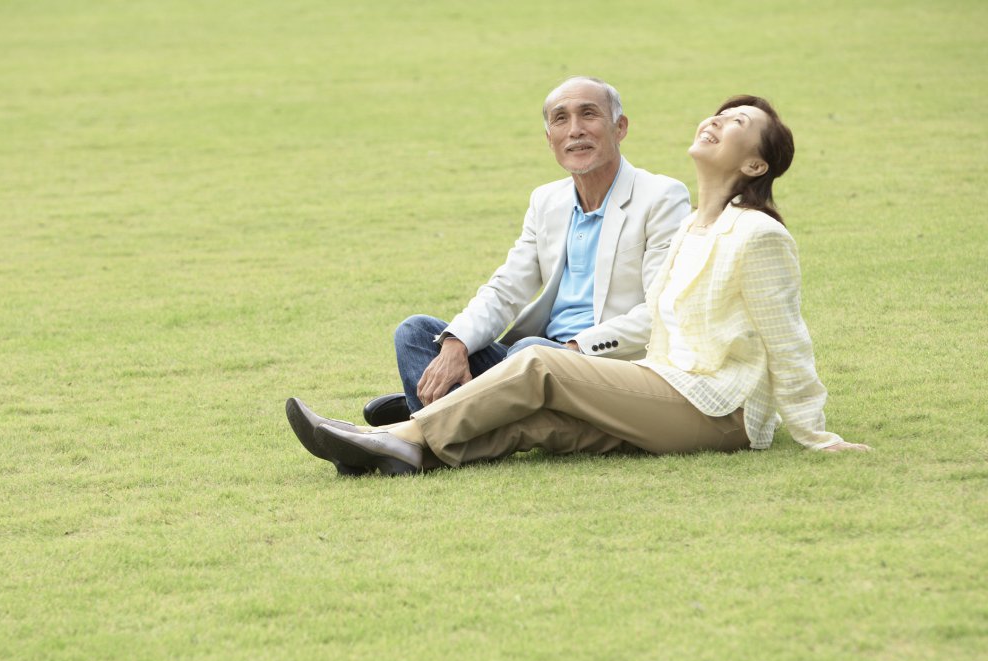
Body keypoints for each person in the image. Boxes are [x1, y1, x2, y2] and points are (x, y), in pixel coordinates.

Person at [288, 95, 869, 476]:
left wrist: (814, 432)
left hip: (722, 408)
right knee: (535, 424)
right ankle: (398, 451)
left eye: (738, 122)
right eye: (719, 113)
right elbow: (509, 285)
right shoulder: (694, 226)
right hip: (662, 385)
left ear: (755, 166)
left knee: (540, 365)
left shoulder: (756, 234)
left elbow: (788, 339)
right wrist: (462, 340)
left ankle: (402, 428)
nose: (716, 120)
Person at [360, 76, 692, 428]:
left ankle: (418, 426)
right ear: (550, 139)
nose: (575, 130)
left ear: (619, 127)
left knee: (530, 353)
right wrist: (455, 344)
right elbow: (506, 288)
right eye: (561, 119)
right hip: (533, 360)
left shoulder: (661, 196)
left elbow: (660, 311)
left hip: (605, 368)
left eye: (589, 114)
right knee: (416, 333)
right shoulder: (547, 200)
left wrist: (575, 349)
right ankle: (452, 419)